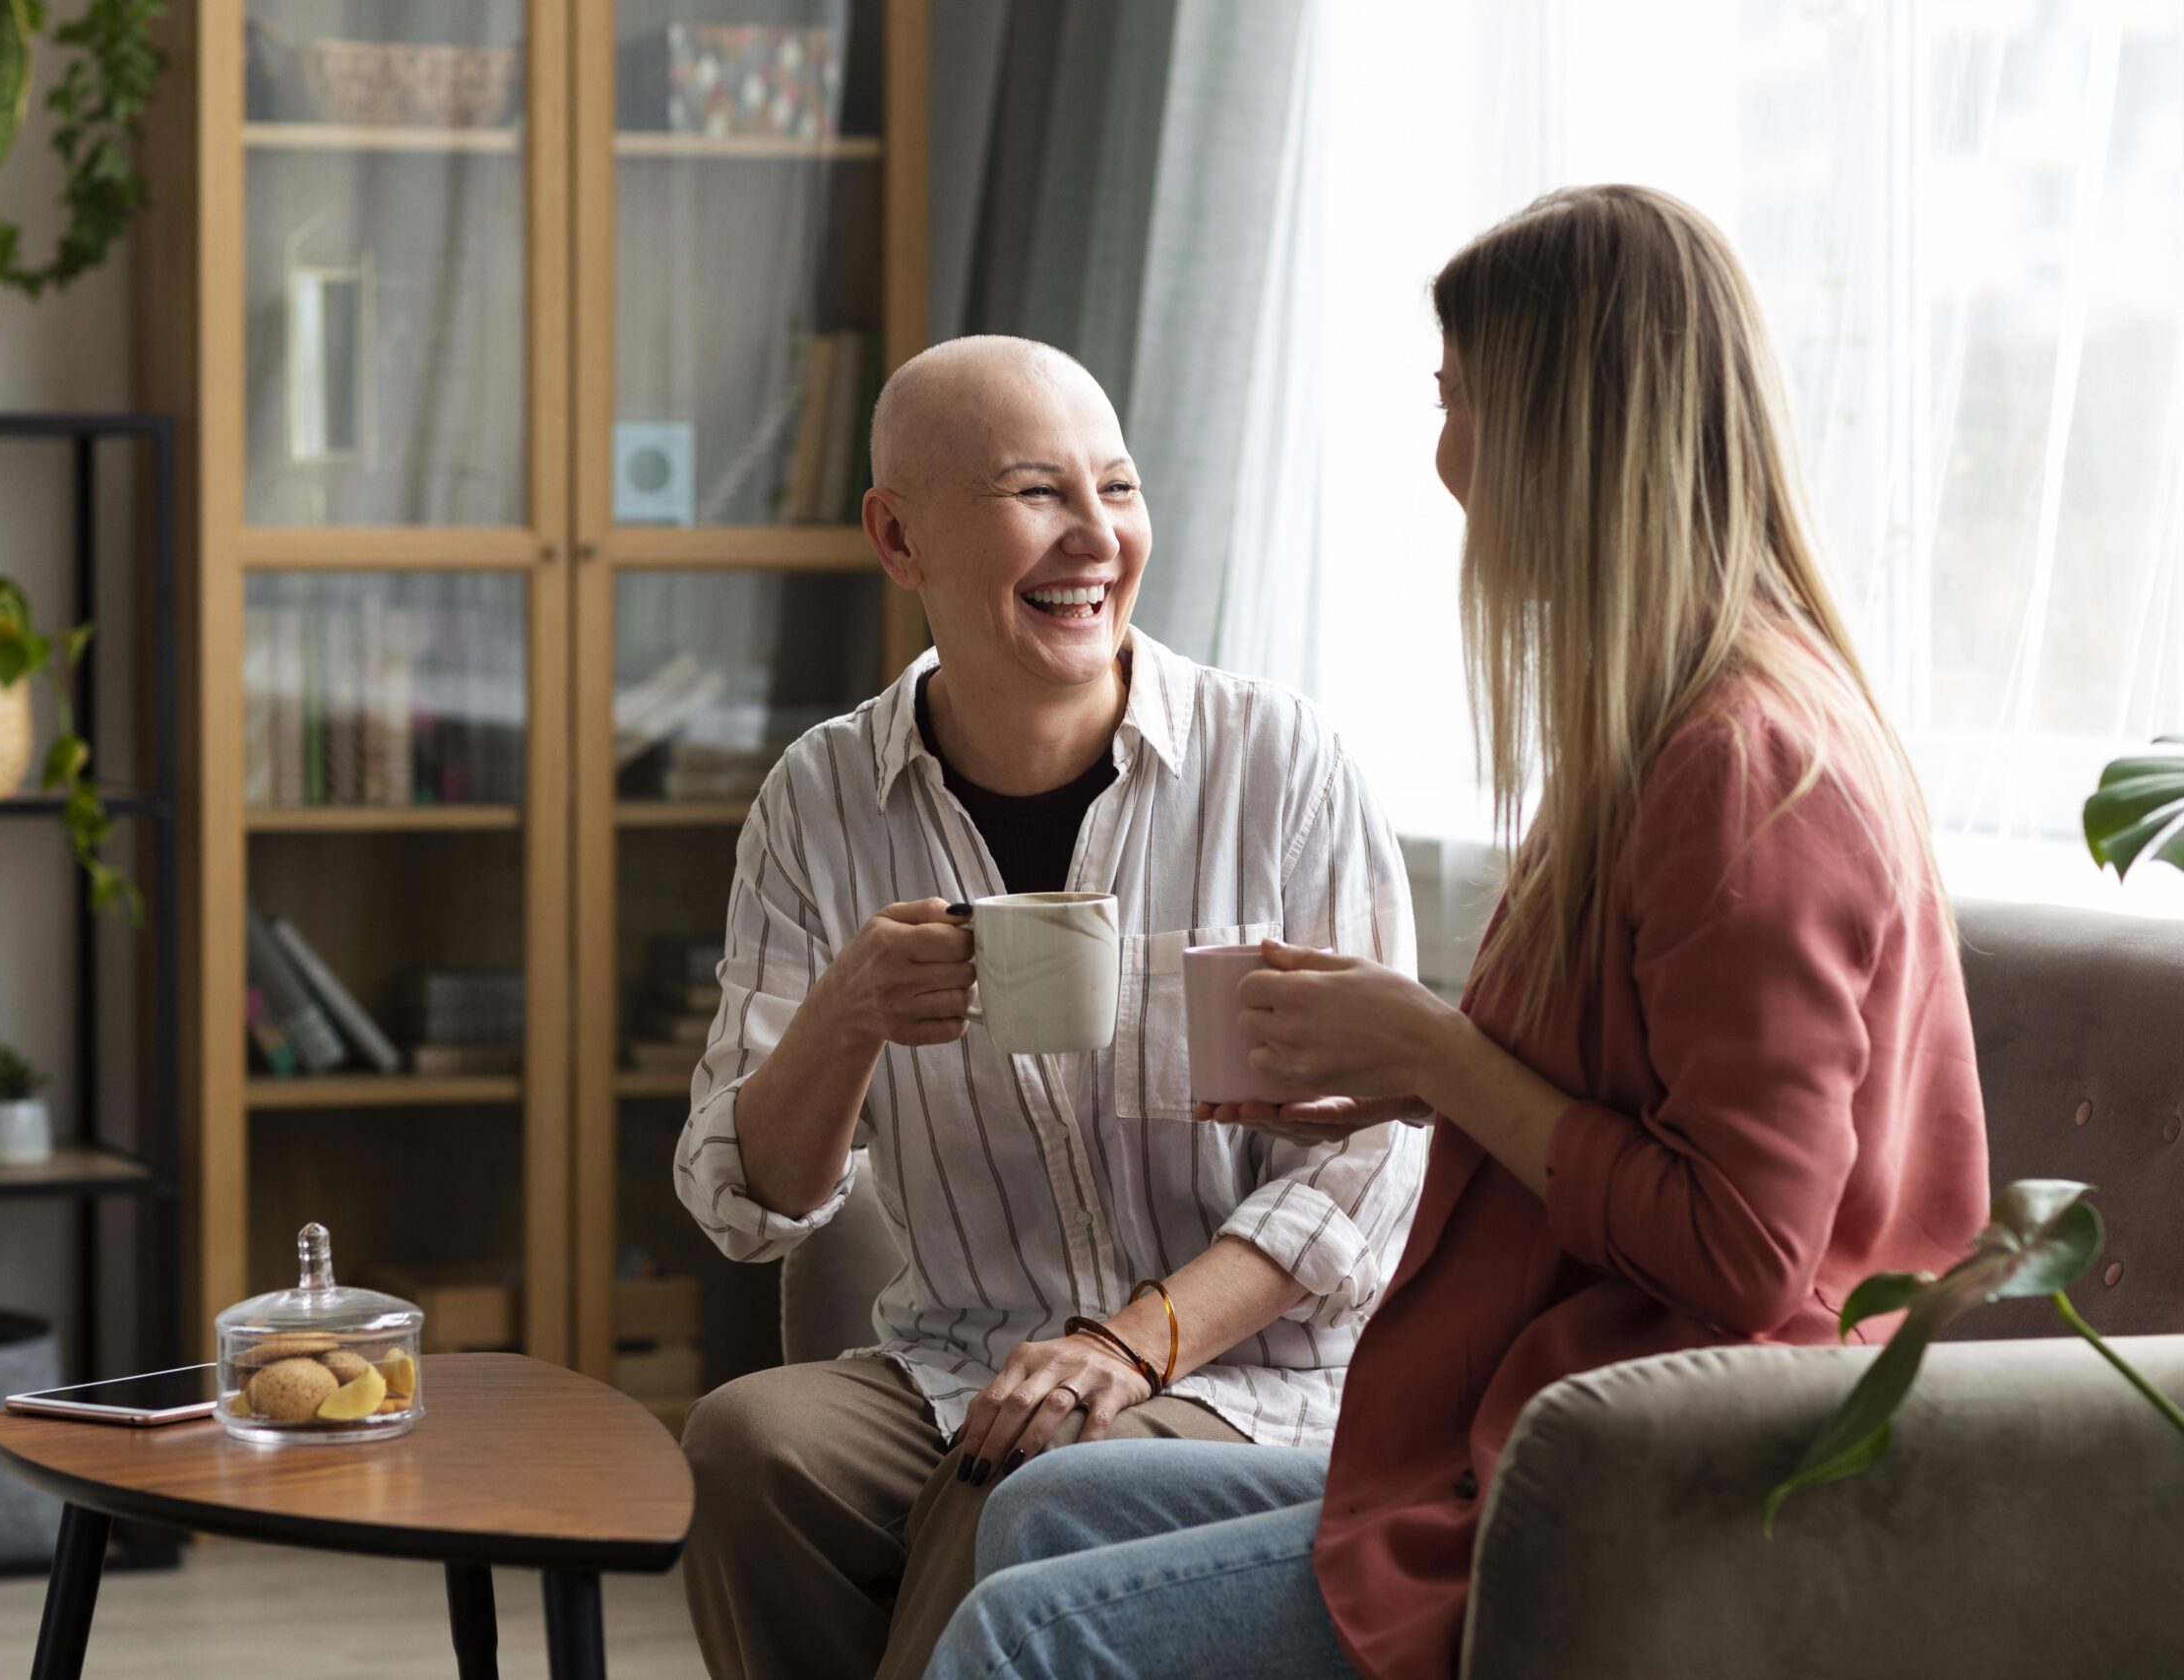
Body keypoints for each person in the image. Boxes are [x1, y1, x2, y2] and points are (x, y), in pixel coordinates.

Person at [922, 185, 1992, 1680]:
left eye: (1461, 402)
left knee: (1032, 1629)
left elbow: (1747, 1254)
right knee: (1043, 1516)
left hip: (1679, 1473)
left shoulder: (1743, 772)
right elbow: (1638, 1106)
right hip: (1562, 1419)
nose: (1444, 459)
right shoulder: (1656, 738)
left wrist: (1440, 1053)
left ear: (1567, 430)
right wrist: (1422, 1066)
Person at [673, 335, 1430, 1680]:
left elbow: (1367, 1166)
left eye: (1120, 489)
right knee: (749, 1447)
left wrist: (1131, 1346)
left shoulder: (1279, 765)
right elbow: (746, 1202)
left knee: (1018, 1473)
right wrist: (845, 1012)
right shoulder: (821, 798)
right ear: (898, 537)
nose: (1097, 538)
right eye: (1040, 493)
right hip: (958, 1356)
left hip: (1249, 1382)